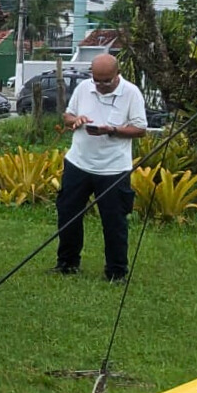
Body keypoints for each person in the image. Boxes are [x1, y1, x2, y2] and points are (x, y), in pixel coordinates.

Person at [54, 54, 147, 282]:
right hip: (78, 163)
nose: (101, 85)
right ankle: (67, 264)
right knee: (68, 214)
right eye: (97, 80)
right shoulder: (84, 88)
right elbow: (67, 116)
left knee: (114, 221)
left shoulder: (131, 93)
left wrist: (112, 130)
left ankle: (116, 271)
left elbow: (140, 129)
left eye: (106, 81)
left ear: (117, 74)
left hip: (113, 169)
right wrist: (75, 121)